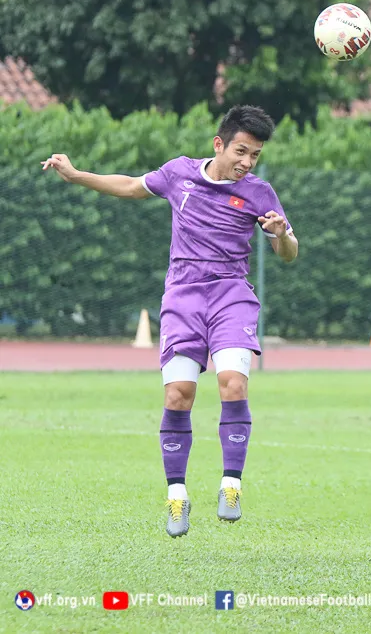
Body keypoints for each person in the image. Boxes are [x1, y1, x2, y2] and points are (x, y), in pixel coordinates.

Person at [41, 105, 298, 538]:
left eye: (254, 155)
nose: (246, 162)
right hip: (182, 296)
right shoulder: (179, 173)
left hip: (231, 294)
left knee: (233, 383)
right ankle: (177, 497)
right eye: (241, 151)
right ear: (219, 144)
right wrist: (78, 174)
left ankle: (230, 485)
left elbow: (288, 253)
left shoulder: (259, 193)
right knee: (179, 395)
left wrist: (281, 234)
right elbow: (131, 185)